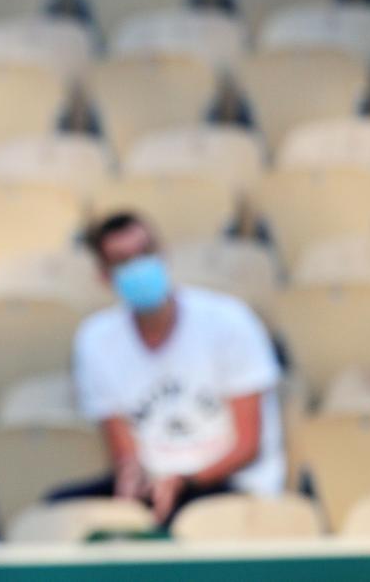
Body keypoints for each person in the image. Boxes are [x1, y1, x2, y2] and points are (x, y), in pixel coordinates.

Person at [62, 211, 285, 525]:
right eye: (123, 260)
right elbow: (123, 447)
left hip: (231, 484)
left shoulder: (229, 321)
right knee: (58, 513)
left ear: (162, 253)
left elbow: (248, 446)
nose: (138, 266)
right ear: (104, 275)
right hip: (156, 484)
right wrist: (131, 477)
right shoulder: (94, 339)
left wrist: (184, 481)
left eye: (145, 252)